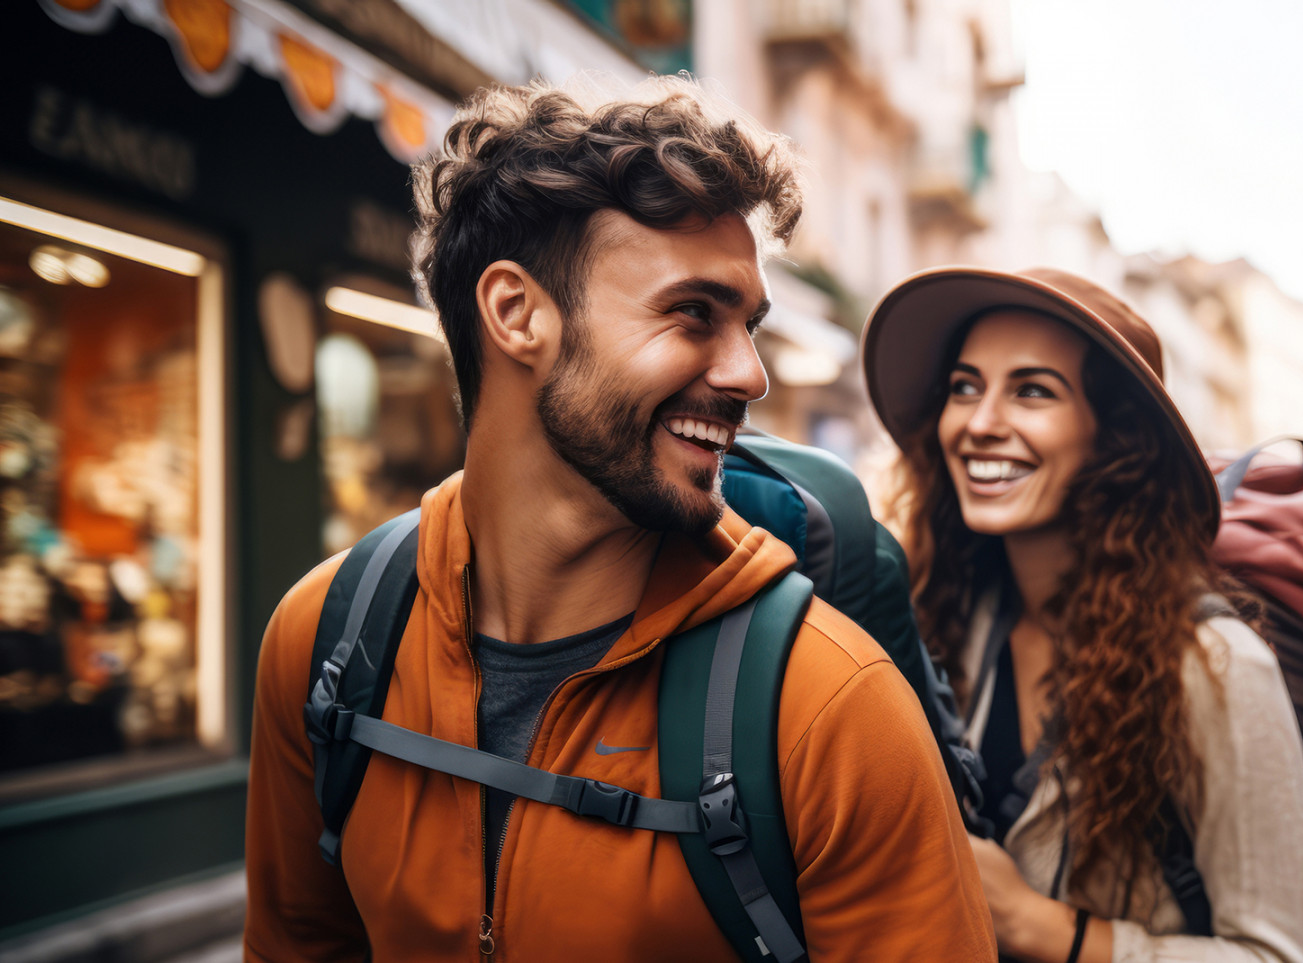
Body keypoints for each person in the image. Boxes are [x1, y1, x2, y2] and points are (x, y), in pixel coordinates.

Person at [243, 78, 996, 960]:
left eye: (747, 323)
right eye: (693, 314)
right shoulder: (326, 644)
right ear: (517, 314)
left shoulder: (834, 708)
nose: (749, 374)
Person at [862, 267, 1303, 963]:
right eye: (965, 386)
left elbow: (1282, 955)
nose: (981, 423)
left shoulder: (1213, 665)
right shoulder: (948, 618)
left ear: (1114, 437)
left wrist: (1040, 926)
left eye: (1032, 390)